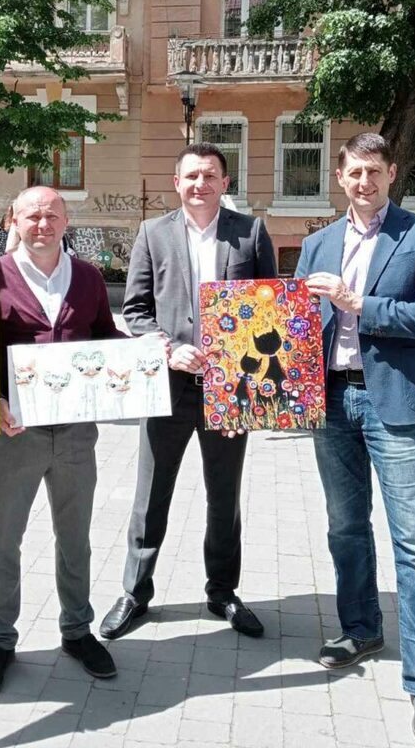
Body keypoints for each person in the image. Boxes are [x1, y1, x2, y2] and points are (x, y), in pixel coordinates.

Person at [296, 132, 415, 748]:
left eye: (375, 171)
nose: (365, 182)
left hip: (396, 405)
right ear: (340, 177)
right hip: (333, 401)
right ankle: (361, 628)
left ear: (391, 173)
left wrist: (360, 303)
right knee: (345, 527)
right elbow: (295, 327)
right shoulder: (317, 244)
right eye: (354, 172)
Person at [100, 142, 277, 642]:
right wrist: (169, 348)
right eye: (192, 176)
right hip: (168, 386)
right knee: (151, 495)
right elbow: (135, 310)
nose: (201, 184)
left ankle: (223, 591)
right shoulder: (153, 233)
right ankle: (135, 592)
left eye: (210, 175)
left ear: (225, 182)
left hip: (230, 391)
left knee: (224, 496)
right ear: (176, 183)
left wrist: (256, 394)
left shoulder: (250, 233)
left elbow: (270, 311)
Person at [0, 186, 120, 697]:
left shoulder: (88, 277)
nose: (42, 223)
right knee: (4, 540)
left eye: (52, 215)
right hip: (15, 434)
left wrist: (150, 351)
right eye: (32, 215)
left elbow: (105, 337)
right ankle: (0, 642)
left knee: (75, 536)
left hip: (76, 432)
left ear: (66, 221)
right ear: (13, 220)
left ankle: (77, 631)